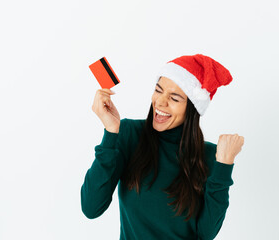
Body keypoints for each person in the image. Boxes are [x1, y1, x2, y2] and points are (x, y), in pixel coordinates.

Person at [81, 54, 245, 240]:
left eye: (174, 98)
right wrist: (111, 133)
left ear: (192, 108)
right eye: (158, 90)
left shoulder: (210, 156)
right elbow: (91, 207)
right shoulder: (129, 134)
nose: (160, 102)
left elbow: (206, 234)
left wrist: (223, 166)